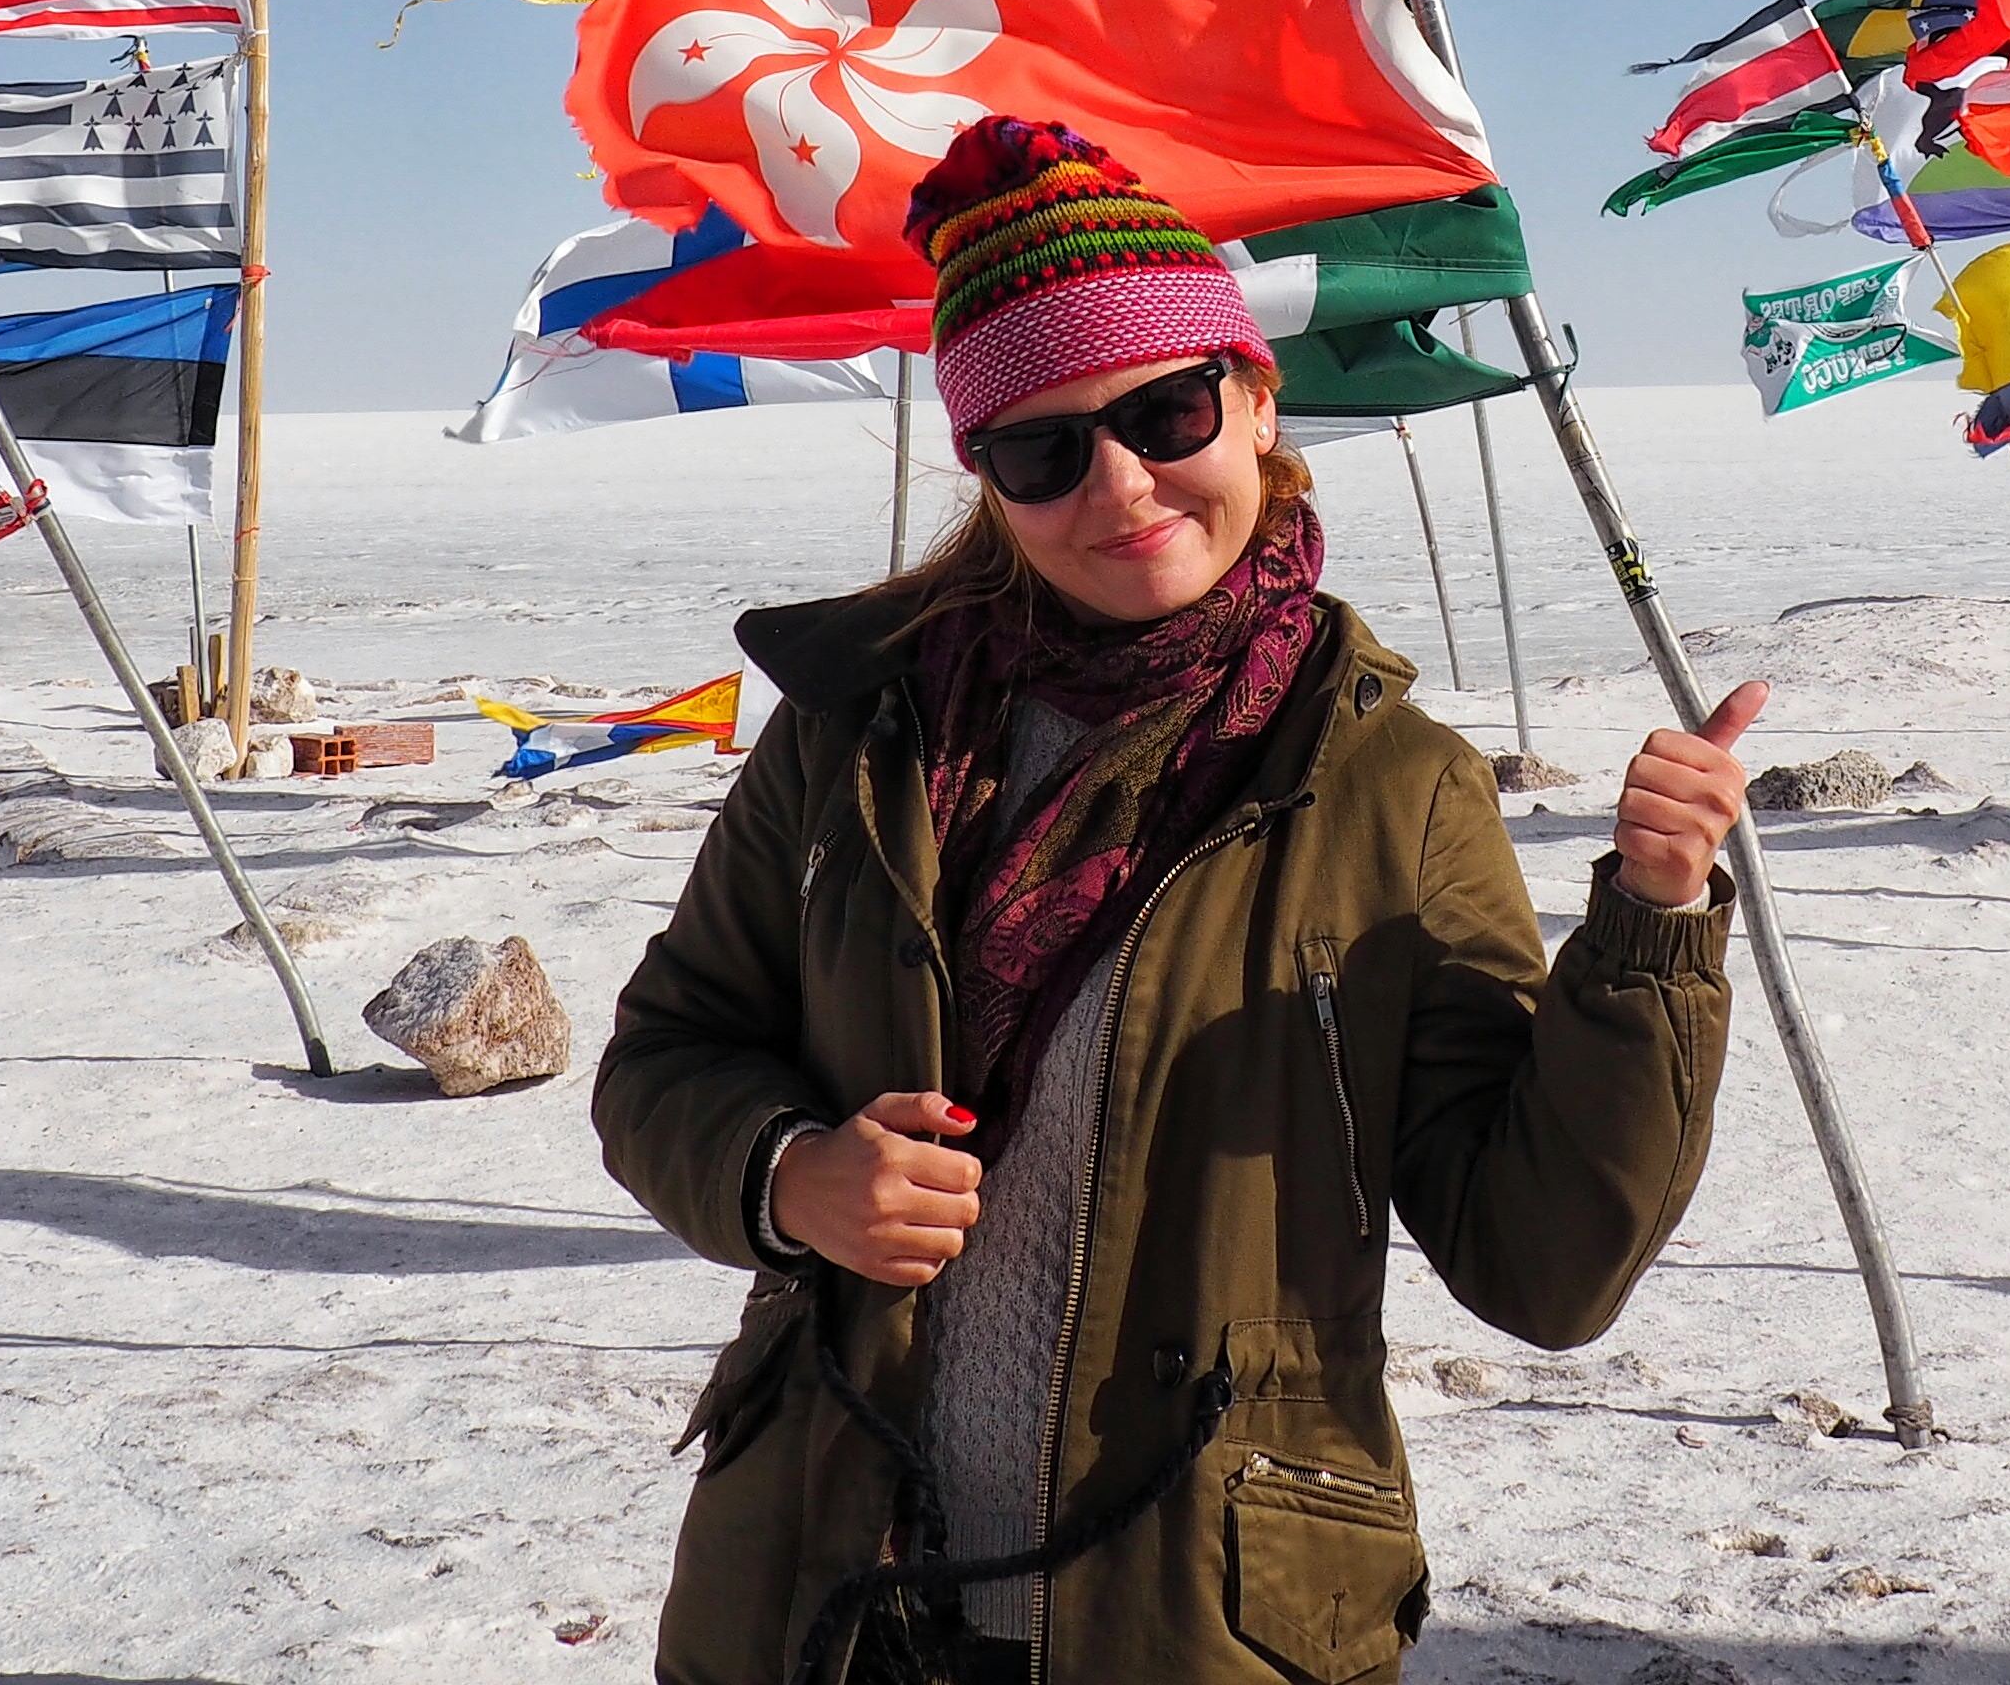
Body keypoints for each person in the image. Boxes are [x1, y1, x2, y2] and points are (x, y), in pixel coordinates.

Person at [595, 117, 1765, 1684]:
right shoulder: (861, 736)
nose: (1122, 484)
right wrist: (790, 1174)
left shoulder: (1392, 788)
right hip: (818, 1589)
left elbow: (1542, 1262)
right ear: (987, 477)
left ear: (1257, 400)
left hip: (1200, 1612)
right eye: (1043, 447)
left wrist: (1651, 928)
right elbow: (667, 1055)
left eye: (1165, 410)